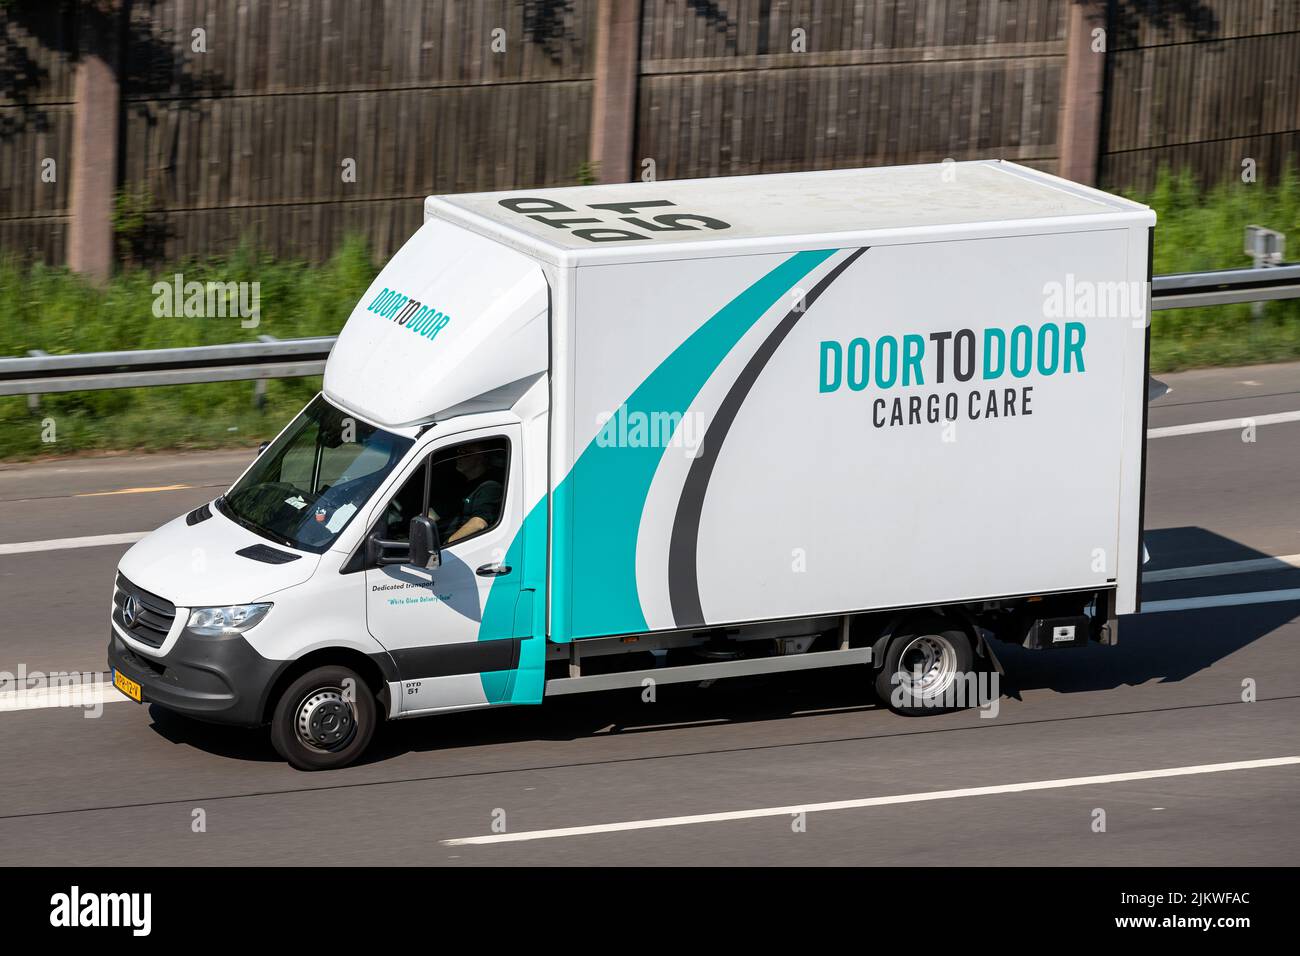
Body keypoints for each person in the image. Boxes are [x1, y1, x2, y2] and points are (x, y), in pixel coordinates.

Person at [447, 442, 504, 543]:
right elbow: (438, 511)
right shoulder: (462, 484)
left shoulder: (490, 487)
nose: (458, 456)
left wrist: (448, 543)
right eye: (459, 452)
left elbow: (478, 523)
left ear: (482, 458)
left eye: (464, 452)